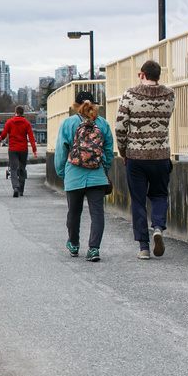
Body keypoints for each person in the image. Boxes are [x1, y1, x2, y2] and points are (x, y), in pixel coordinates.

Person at [114, 59, 176, 259]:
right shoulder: (169, 94)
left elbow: (120, 127)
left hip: (136, 157)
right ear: (159, 76)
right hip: (160, 155)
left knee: (138, 200)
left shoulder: (130, 94)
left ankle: (143, 247)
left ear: (142, 74)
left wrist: (123, 152)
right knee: (159, 195)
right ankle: (158, 227)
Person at [54, 91, 114, 262]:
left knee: (74, 211)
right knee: (97, 213)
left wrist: (62, 173)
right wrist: (103, 168)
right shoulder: (102, 124)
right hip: (97, 176)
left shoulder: (68, 123)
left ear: (75, 104)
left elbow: (61, 151)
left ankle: (74, 244)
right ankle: (94, 249)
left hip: (74, 174)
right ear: (94, 105)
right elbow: (109, 152)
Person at [0, 105, 37, 197]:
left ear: (15, 112)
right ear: (23, 113)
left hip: (12, 149)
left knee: (13, 168)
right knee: (22, 169)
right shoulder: (27, 123)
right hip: (23, 149)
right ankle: (21, 190)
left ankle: (15, 187)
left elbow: (3, 134)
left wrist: (0, 138)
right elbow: (31, 137)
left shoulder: (9, 122)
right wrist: (34, 150)